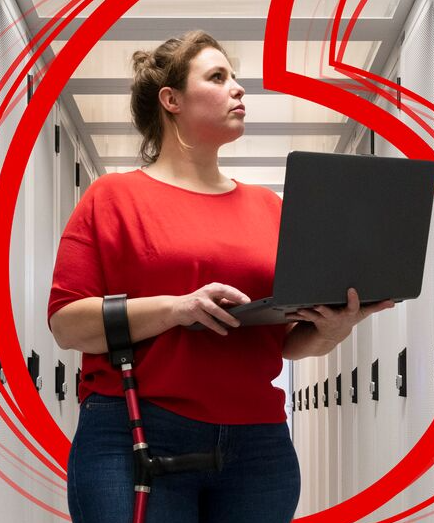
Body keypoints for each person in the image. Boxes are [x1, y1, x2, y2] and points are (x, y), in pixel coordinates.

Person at [48, 31, 395, 522]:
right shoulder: (113, 199)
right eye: (217, 77)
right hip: (136, 431)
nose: (239, 89)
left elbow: (284, 341)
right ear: (171, 100)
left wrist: (332, 329)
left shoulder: (270, 209)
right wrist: (177, 308)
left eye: (235, 78)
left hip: (258, 445)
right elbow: (66, 324)